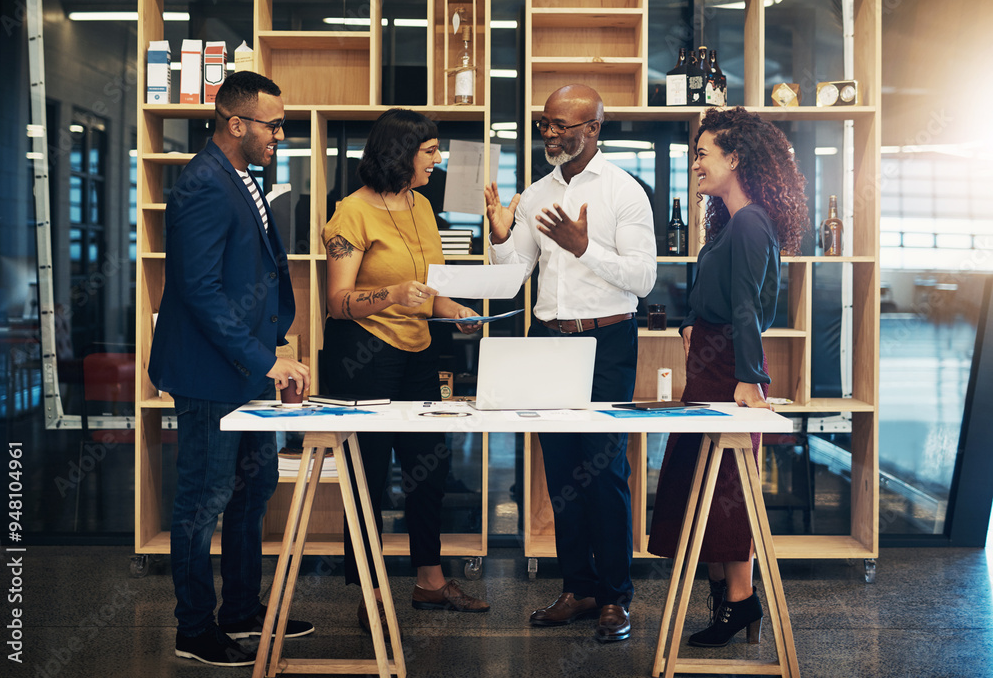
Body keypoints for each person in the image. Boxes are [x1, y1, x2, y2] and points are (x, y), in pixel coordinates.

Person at [148, 71, 314, 667]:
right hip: (208, 374)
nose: (280, 134)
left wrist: (268, 353)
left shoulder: (243, 177)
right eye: (273, 124)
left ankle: (242, 612)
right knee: (203, 500)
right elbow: (197, 291)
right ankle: (193, 629)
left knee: (252, 491)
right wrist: (264, 358)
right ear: (235, 123)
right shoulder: (202, 183)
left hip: (244, 371)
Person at [484, 85, 657, 642]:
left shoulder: (625, 192)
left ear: (594, 129)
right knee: (561, 475)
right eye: (545, 124)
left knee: (605, 474)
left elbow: (643, 279)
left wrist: (586, 249)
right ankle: (578, 588)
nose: (551, 134)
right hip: (548, 341)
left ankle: (614, 597)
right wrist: (500, 234)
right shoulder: (535, 194)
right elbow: (515, 273)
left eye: (563, 125)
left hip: (607, 342)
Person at [319, 108, 489, 636]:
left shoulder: (420, 205)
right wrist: (391, 295)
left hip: (419, 352)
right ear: (400, 153)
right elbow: (337, 302)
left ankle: (431, 581)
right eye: (430, 151)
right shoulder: (350, 213)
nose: (438, 161)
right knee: (368, 476)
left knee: (429, 468)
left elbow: (427, 291)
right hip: (364, 353)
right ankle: (370, 592)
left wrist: (454, 311)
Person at [647, 106, 809, 647]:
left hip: (728, 369)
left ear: (734, 158)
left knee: (729, 488)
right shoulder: (730, 221)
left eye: (702, 153)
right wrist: (692, 325)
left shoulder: (750, 220)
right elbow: (714, 296)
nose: (696, 163)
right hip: (709, 362)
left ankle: (739, 603)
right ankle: (723, 598)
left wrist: (748, 377)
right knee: (702, 484)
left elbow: (748, 307)